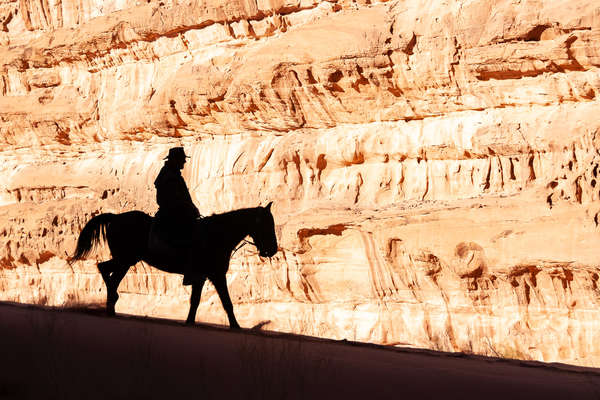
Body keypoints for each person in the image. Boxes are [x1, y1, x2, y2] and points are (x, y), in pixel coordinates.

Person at [153, 146, 201, 284]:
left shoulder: (169, 173)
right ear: (175, 160)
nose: (184, 162)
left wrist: (192, 208)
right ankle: (189, 270)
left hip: (175, 211)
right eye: (182, 159)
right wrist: (188, 209)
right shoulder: (170, 176)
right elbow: (175, 198)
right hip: (172, 213)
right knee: (190, 236)